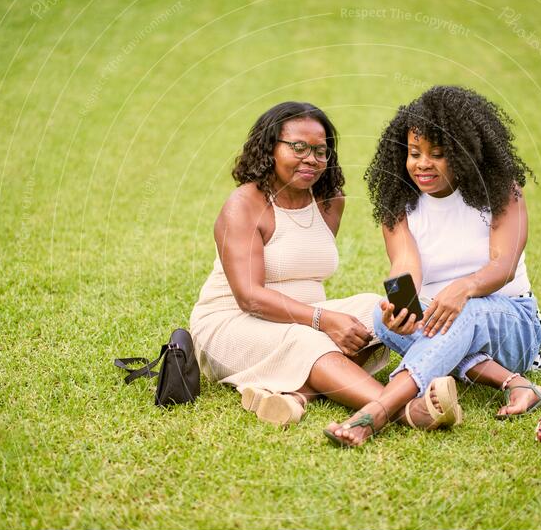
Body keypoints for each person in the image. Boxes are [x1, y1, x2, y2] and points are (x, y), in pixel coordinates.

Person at [190, 101, 459, 441]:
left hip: (300, 321)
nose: (311, 159)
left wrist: (338, 319)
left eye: (320, 151)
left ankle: (296, 395)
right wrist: (323, 321)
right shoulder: (243, 205)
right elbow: (248, 297)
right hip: (230, 326)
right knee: (306, 340)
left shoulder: (330, 200)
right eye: (298, 147)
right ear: (269, 148)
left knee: (373, 309)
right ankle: (403, 409)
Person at [365, 85, 541, 419]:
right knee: (378, 316)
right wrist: (399, 308)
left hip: (512, 324)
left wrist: (465, 287)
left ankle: (379, 410)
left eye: (437, 154)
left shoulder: (501, 191)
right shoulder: (398, 202)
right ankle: (516, 384)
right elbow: (403, 262)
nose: (422, 164)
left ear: (464, 152)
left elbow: (505, 264)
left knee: (466, 311)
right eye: (414, 153)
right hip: (435, 320)